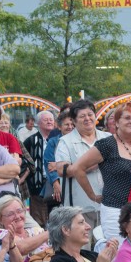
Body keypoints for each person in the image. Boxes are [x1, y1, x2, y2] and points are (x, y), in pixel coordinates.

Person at [67, 102, 131, 244]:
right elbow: (77, 168)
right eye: (127, 118)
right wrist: (92, 195)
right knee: (118, 253)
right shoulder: (107, 144)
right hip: (115, 211)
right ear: (117, 122)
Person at [54, 99, 110, 230]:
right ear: (74, 121)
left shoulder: (107, 138)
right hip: (79, 207)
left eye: (90, 114)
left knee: (109, 241)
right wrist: (95, 163)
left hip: (108, 204)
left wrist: (80, 166)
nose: (87, 119)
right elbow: (62, 170)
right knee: (82, 242)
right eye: (82, 116)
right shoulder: (65, 141)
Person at [22, 110, 57, 226]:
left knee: (56, 216)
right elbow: (24, 161)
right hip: (37, 184)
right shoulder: (30, 141)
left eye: (51, 119)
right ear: (38, 123)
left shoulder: (59, 139)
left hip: (57, 183)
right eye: (46, 120)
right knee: (38, 219)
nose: (49, 122)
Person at [0, 195, 51, 262]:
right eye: (10, 214)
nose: (17, 216)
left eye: (19, 211)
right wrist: (50, 232)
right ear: (0, 219)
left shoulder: (36, 230)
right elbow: (21, 248)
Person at [44, 109, 75, 206]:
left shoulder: (78, 140)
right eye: (67, 124)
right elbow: (49, 164)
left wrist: (57, 165)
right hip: (60, 183)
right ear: (59, 127)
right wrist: (55, 183)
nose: (70, 127)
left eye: (72, 124)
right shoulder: (53, 142)